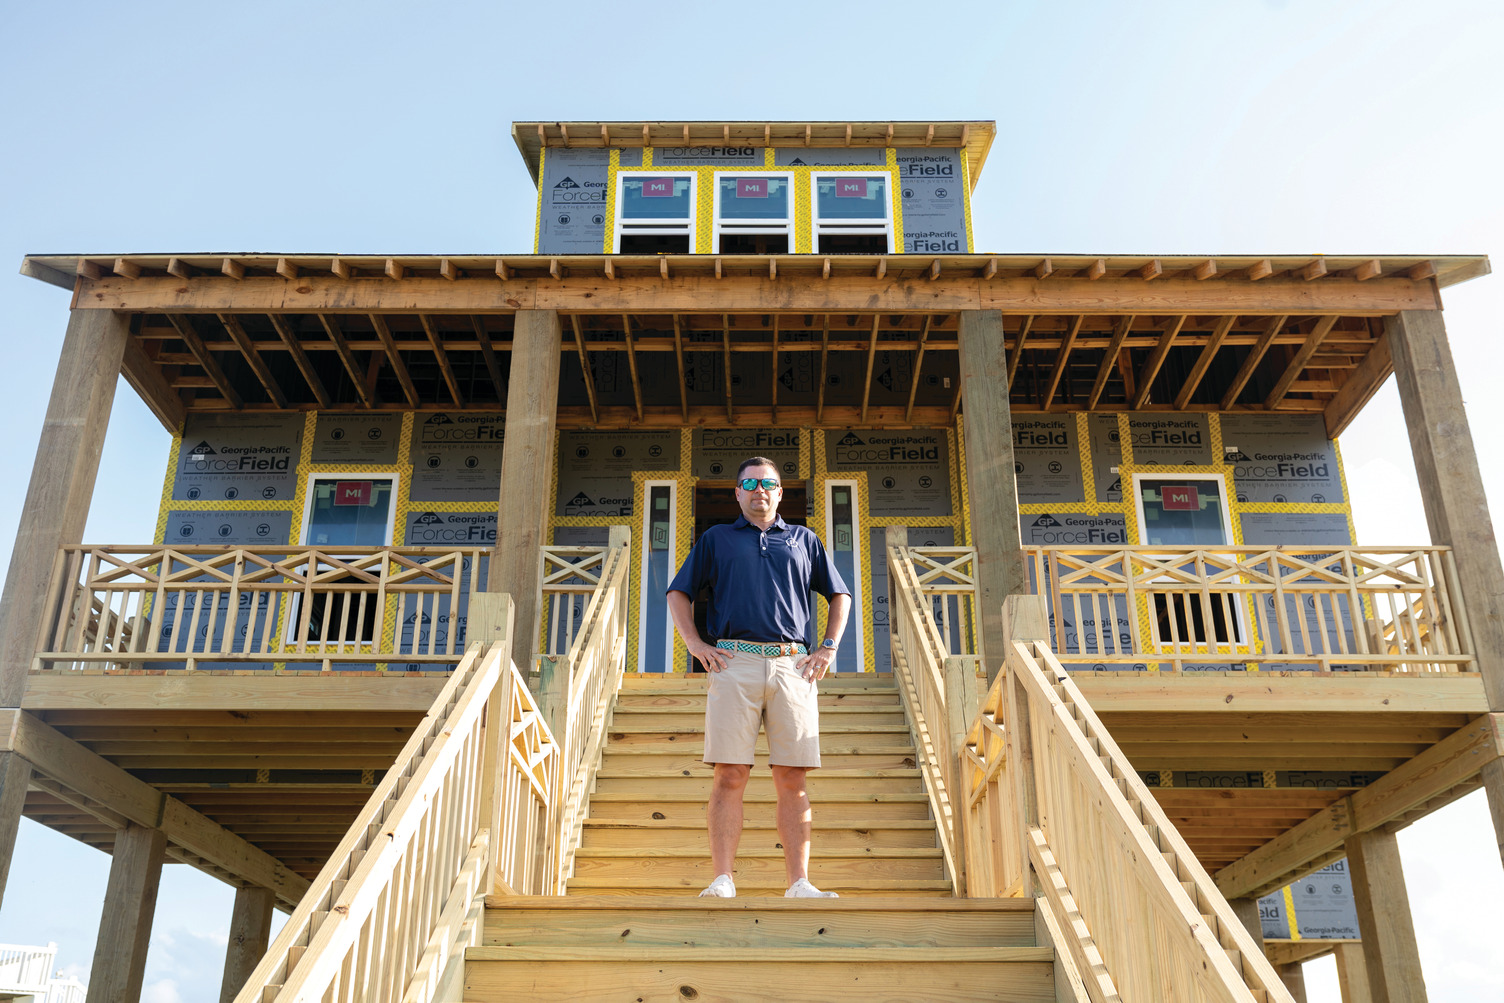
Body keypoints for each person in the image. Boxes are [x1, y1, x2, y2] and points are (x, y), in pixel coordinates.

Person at [666, 457, 852, 899]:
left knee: (793, 776)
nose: (759, 490)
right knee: (730, 773)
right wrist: (694, 644)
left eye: (768, 484)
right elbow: (679, 591)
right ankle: (723, 879)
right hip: (734, 664)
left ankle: (799, 884)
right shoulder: (717, 539)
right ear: (737, 492)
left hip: (794, 665)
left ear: (780, 492)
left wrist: (828, 647)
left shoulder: (805, 540)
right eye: (749, 483)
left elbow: (839, 594)